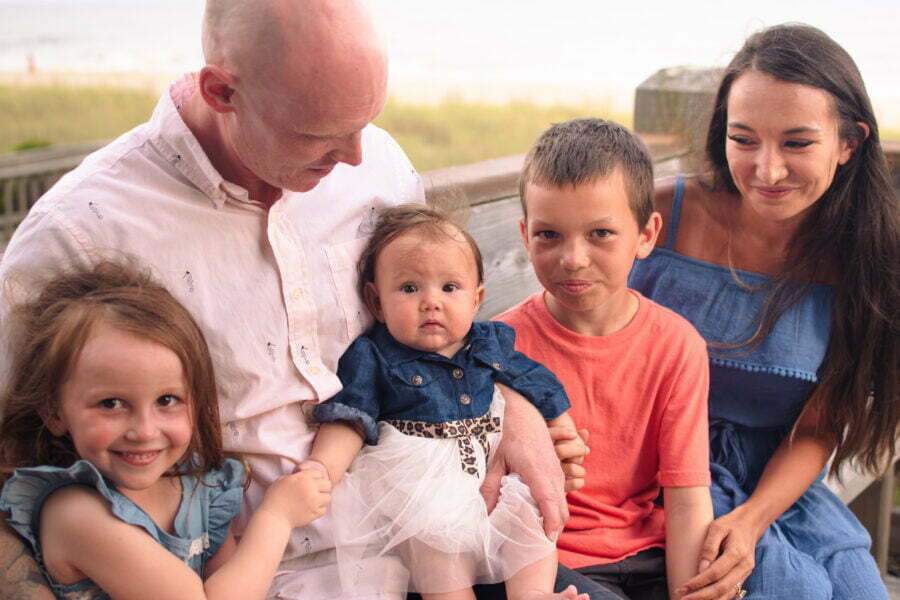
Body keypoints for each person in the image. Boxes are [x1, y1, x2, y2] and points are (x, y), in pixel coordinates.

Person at [0, 1, 573, 597]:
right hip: (259, 578)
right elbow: (15, 465)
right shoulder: (78, 235)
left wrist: (512, 410)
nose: (356, 156)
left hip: (437, 544)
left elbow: (432, 326)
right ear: (222, 91)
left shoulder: (375, 161)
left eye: (367, 122)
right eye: (320, 133)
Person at [628, 24, 899, 600]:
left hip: (773, 478)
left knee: (860, 591)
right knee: (787, 587)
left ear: (850, 143)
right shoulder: (660, 213)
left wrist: (752, 519)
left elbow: (819, 427)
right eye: (743, 139)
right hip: (651, 463)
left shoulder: (862, 258)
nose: (766, 170)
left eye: (797, 143)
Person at [0, 260, 331, 599]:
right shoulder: (76, 514)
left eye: (167, 400)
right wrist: (276, 518)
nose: (144, 430)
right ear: (55, 413)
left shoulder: (199, 485)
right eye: (111, 404)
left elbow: (237, 584)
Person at [307, 205, 586, 600]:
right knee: (436, 543)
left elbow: (534, 381)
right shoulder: (374, 357)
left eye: (449, 288)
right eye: (409, 288)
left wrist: (561, 425)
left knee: (529, 513)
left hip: (489, 463)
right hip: (421, 481)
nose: (430, 302)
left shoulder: (488, 343)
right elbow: (352, 416)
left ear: (477, 299)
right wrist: (322, 469)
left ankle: (535, 593)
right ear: (376, 302)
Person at [496, 118, 714, 600]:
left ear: (646, 233)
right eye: (549, 235)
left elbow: (686, 500)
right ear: (524, 233)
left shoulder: (676, 346)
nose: (573, 258)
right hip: (536, 561)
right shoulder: (497, 346)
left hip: (644, 557)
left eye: (600, 233)